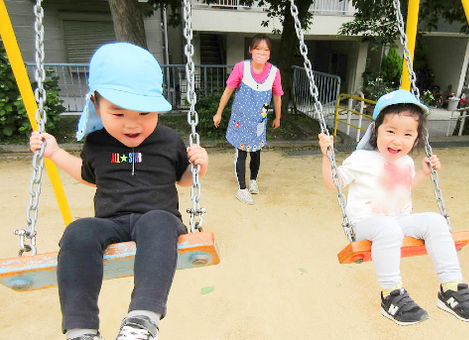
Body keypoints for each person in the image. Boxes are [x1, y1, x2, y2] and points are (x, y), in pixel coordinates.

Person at [29, 42, 209, 340]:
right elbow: (90, 177)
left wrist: (199, 168)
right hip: (109, 221)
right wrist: (55, 153)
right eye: (118, 113)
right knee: (77, 231)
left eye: (144, 113)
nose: (132, 124)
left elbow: (184, 180)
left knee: (159, 222)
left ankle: (142, 320)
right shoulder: (97, 142)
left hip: (157, 218)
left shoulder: (168, 140)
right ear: (96, 106)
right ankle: (81, 329)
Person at [318, 89, 469, 325]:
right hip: (366, 223)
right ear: (376, 130)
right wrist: (327, 156)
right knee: (389, 229)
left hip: (397, 220)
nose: (398, 140)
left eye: (408, 134)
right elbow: (333, 183)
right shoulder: (361, 159)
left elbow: (403, 188)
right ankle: (391, 295)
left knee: (436, 221)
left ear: (416, 137)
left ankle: (451, 288)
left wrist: (423, 173)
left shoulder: (406, 162)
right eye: (390, 131)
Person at [213, 34, 283, 204]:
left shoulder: (274, 72)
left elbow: (277, 95)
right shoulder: (241, 68)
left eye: (265, 50)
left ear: (270, 53)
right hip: (241, 121)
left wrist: (278, 117)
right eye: (258, 48)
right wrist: (219, 112)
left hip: (259, 122)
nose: (261, 52)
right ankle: (242, 189)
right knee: (242, 154)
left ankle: (253, 182)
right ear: (250, 50)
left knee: (257, 152)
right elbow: (228, 91)